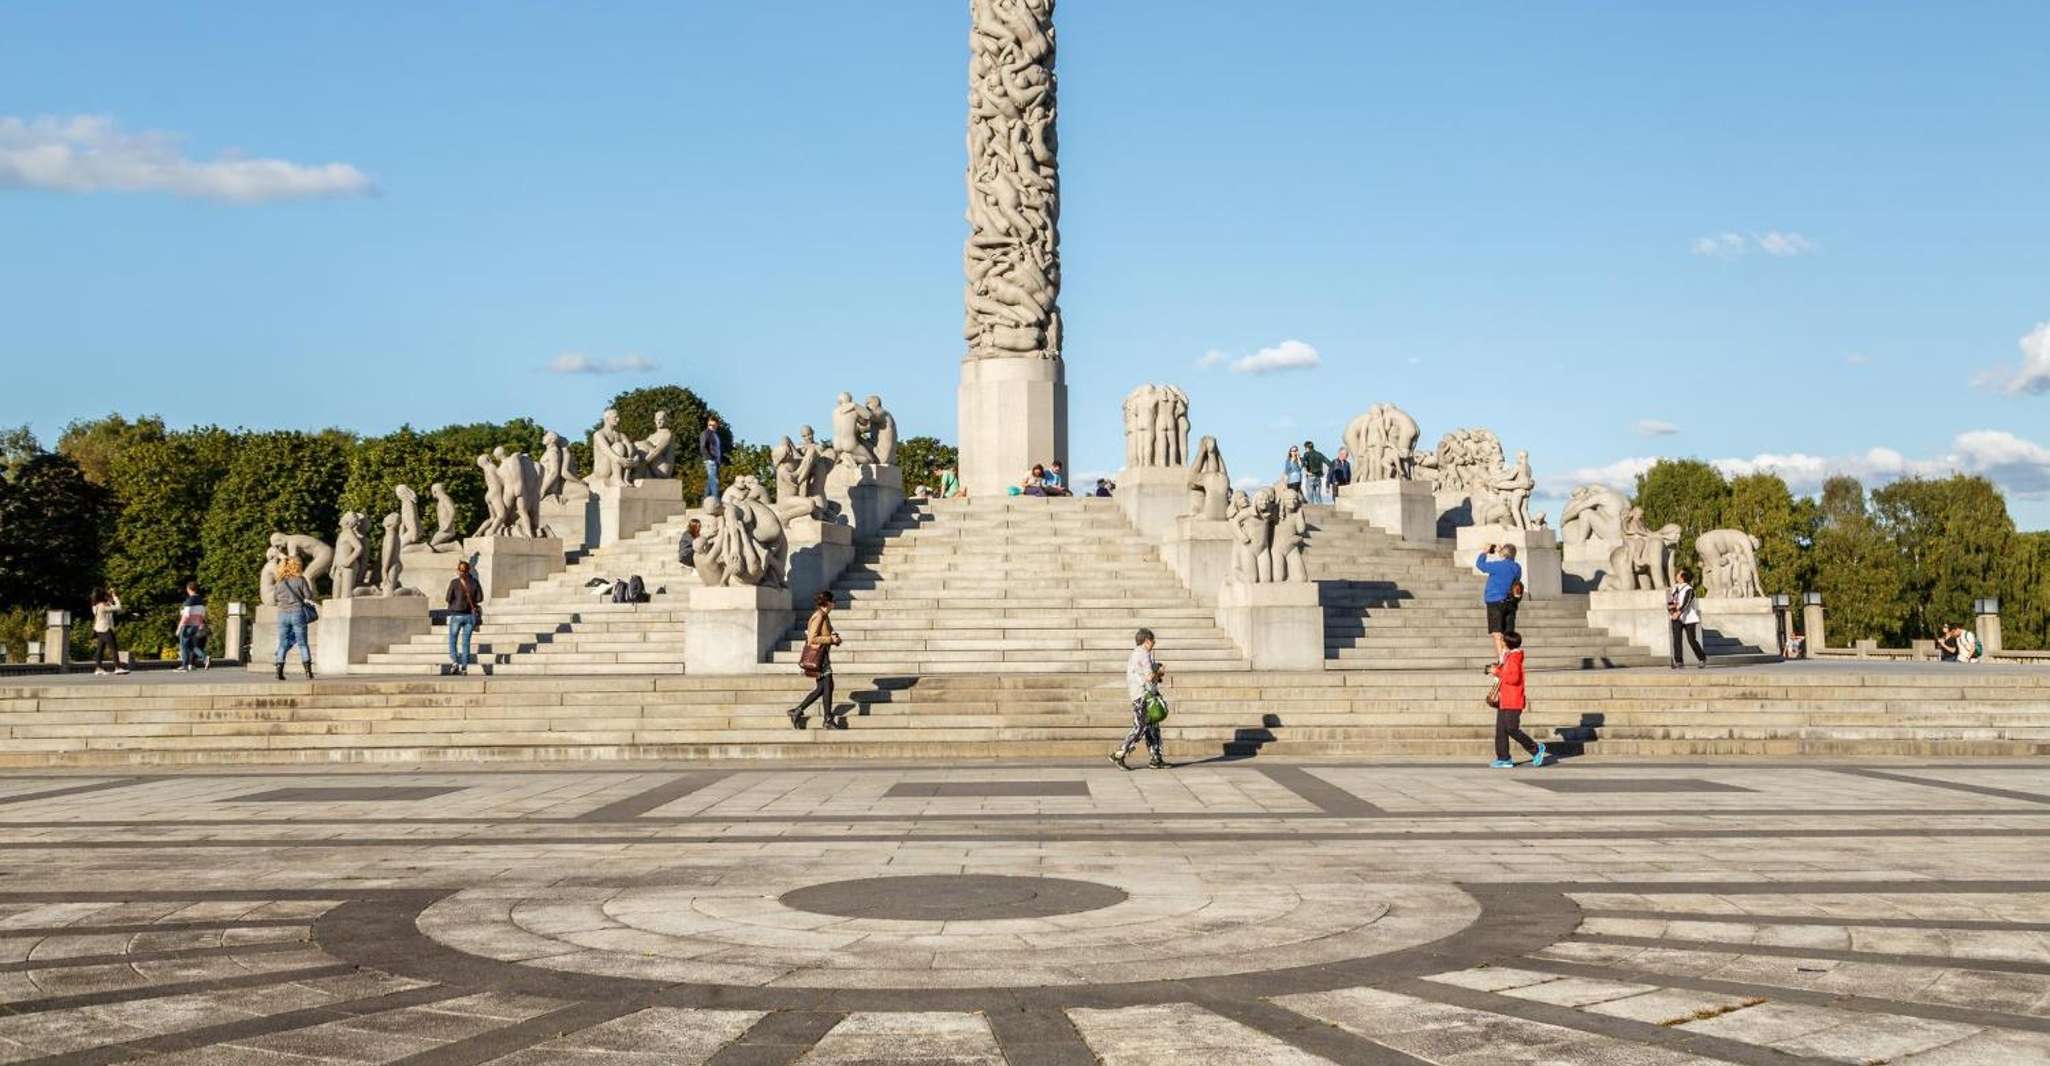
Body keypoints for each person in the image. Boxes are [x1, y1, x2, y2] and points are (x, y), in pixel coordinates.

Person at [1485, 632, 1545, 768]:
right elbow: (1504, 672)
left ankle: (1536, 749)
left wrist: (1497, 672)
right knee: (1501, 729)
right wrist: (1494, 669)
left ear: (1507, 643)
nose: (1500, 642)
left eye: (1502, 640)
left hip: (1513, 700)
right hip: (1504, 699)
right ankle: (1504, 758)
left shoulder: (1515, 658)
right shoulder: (1508, 656)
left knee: (1512, 728)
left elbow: (1514, 679)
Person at [1111, 628, 1167, 770]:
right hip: (1144, 696)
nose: (1154, 643)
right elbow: (1149, 677)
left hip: (1138, 694)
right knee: (1140, 727)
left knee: (1152, 727)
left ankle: (1156, 758)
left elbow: (1141, 675)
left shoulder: (1135, 654)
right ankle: (1119, 754)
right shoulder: (1144, 654)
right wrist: (1158, 672)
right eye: (1153, 640)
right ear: (1147, 641)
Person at [788, 591, 844, 729]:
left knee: (823, 688)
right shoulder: (819, 616)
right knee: (827, 686)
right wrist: (830, 639)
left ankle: (799, 711)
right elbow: (812, 638)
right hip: (820, 656)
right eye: (833, 601)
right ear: (828, 603)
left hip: (823, 654)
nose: (834, 603)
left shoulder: (824, 616)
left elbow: (824, 634)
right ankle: (827, 719)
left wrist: (834, 638)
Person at [1474, 544, 1521, 661]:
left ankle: (1502, 659)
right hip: (1510, 603)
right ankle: (1509, 657)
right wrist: (1502, 552)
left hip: (1495, 601)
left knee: (1497, 632)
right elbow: (1509, 566)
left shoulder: (1497, 566)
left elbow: (1480, 565)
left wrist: (1484, 552)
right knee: (1508, 632)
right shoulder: (1517, 567)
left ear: (1503, 554)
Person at [272, 557, 316, 680]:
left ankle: (279, 672)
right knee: (302, 643)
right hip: (298, 613)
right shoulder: (300, 580)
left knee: (282, 644)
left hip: (282, 615)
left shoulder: (279, 583)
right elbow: (308, 595)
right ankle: (308, 672)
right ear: (296, 566)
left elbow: (275, 598)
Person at [445, 560, 484, 675]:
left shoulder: (454, 582)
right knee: (466, 642)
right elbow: (480, 598)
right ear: (469, 570)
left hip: (457, 614)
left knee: (453, 640)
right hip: (470, 616)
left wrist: (455, 603)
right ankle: (464, 667)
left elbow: (448, 598)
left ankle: (455, 662)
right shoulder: (474, 582)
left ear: (458, 570)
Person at [1667, 568, 1707, 669]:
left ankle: (1702, 658)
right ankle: (1679, 661)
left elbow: (1686, 603)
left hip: (1688, 618)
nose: (1677, 574)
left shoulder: (1689, 589)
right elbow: (1671, 601)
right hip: (1676, 617)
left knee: (1691, 640)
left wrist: (1678, 613)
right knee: (1677, 639)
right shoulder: (1675, 588)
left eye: (1679, 573)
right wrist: (1672, 612)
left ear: (1683, 577)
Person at [88, 588, 128, 676]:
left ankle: (98, 668)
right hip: (105, 629)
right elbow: (118, 607)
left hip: (98, 629)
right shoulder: (103, 606)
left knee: (100, 649)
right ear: (103, 597)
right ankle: (118, 667)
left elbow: (108, 606)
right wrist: (115, 597)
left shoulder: (96, 606)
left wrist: (109, 598)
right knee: (113, 648)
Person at [175, 582, 208, 671]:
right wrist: (200, 624)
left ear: (188, 589)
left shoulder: (190, 600)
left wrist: (179, 627)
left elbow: (186, 615)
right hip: (196, 626)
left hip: (187, 625)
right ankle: (204, 657)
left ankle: (184, 665)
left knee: (183, 645)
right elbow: (202, 615)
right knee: (191, 645)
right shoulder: (201, 600)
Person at [699, 416, 725, 502]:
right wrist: (710, 457)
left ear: (717, 425)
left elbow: (717, 448)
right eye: (710, 425)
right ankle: (716, 499)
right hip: (710, 460)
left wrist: (718, 460)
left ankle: (705, 499)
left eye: (714, 425)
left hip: (716, 461)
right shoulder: (706, 433)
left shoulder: (715, 435)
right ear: (708, 424)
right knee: (714, 480)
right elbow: (703, 447)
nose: (712, 427)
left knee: (710, 480)